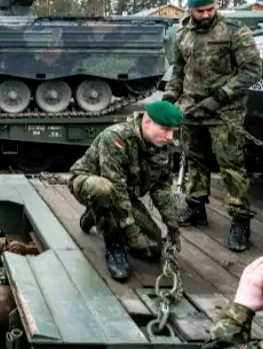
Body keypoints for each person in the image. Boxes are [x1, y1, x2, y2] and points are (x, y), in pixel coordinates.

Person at [162, 0, 263, 252]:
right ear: (190, 10)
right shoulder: (182, 36)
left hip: (224, 111)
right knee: (195, 160)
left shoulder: (234, 31)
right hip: (191, 110)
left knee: (231, 165)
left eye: (210, 9)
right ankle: (196, 207)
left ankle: (240, 220)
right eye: (200, 11)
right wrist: (169, 97)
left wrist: (219, 97)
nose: (206, 15)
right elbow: (178, 71)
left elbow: (252, 70)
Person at [69, 100, 185, 282]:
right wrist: (131, 232)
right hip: (91, 184)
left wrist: (172, 224)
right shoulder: (116, 137)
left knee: (154, 249)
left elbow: (161, 187)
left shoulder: (163, 146)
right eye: (165, 129)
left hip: (125, 194)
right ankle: (114, 247)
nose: (170, 137)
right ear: (147, 123)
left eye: (173, 131)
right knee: (103, 191)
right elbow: (116, 187)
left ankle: (95, 213)